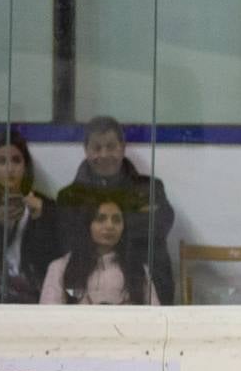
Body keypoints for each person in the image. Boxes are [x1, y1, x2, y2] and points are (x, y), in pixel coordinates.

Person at [56, 116, 177, 303]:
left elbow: (159, 228)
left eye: (111, 147)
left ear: (122, 148)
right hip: (86, 296)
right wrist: (133, 221)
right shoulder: (69, 197)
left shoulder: (151, 189)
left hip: (145, 290)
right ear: (86, 150)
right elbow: (73, 240)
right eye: (97, 148)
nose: (104, 154)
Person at [0, 128, 57, 303]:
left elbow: (51, 260)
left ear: (25, 165)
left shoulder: (44, 205)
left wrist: (41, 220)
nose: (10, 169)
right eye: (1, 161)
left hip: (31, 291)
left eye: (16, 160)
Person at [41, 199, 156, 305]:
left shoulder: (138, 269)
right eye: (101, 219)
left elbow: (156, 316)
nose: (109, 226)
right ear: (87, 225)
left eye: (116, 220)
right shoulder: (60, 267)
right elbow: (48, 317)